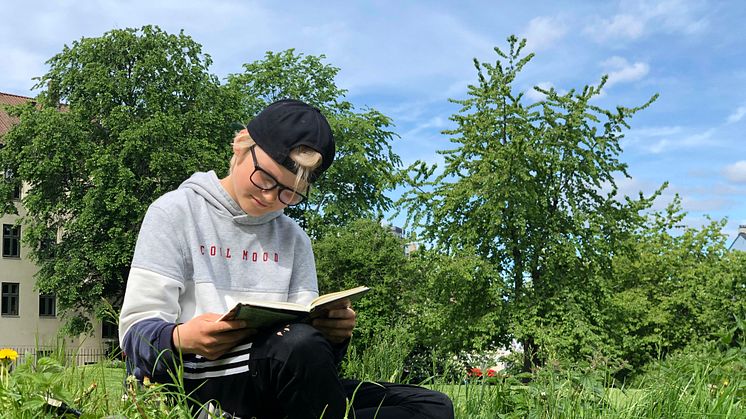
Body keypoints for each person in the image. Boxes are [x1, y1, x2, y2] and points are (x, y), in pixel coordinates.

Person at [119, 99, 454, 419]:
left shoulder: (294, 238)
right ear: (241, 145)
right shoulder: (175, 212)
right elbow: (134, 335)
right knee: (298, 346)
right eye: (264, 178)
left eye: (289, 193)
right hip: (198, 379)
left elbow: (308, 356)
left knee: (430, 407)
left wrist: (334, 335)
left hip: (279, 381)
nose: (269, 196)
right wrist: (182, 338)